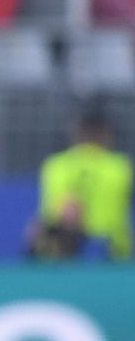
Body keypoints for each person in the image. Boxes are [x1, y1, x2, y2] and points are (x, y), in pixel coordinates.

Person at [34, 107, 132, 261]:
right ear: (107, 135)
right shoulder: (120, 167)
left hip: (66, 252)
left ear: (76, 134)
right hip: (113, 251)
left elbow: (67, 210)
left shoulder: (57, 165)